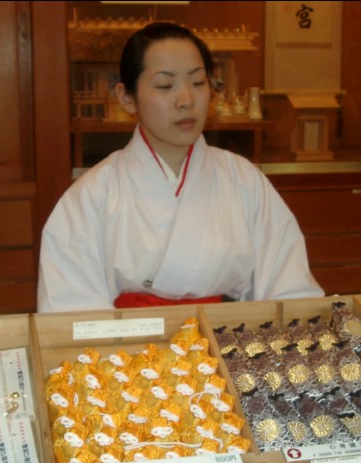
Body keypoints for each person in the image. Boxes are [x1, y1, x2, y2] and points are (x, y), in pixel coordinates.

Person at [37, 22, 323, 313]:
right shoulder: (92, 195)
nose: (186, 100)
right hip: (129, 350)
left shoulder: (244, 181)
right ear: (126, 97)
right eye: (165, 85)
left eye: (198, 83)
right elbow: (70, 309)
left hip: (229, 346)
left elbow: (288, 288)